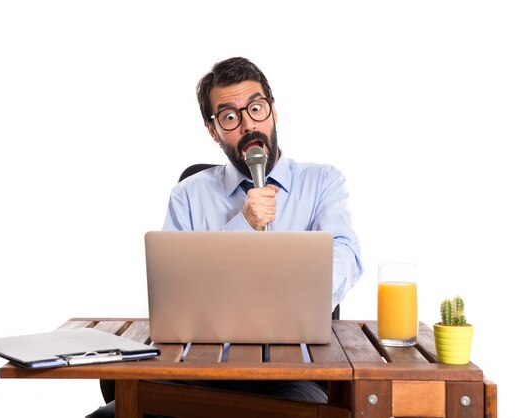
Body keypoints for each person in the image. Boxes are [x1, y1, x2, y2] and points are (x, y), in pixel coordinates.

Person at [86, 57, 362, 418]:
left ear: (274, 112)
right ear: (213, 131)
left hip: (291, 376)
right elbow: (175, 292)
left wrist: (296, 301)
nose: (248, 124)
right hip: (197, 373)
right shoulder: (188, 195)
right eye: (230, 117)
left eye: (256, 108)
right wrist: (244, 224)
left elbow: (345, 254)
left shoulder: (322, 182)